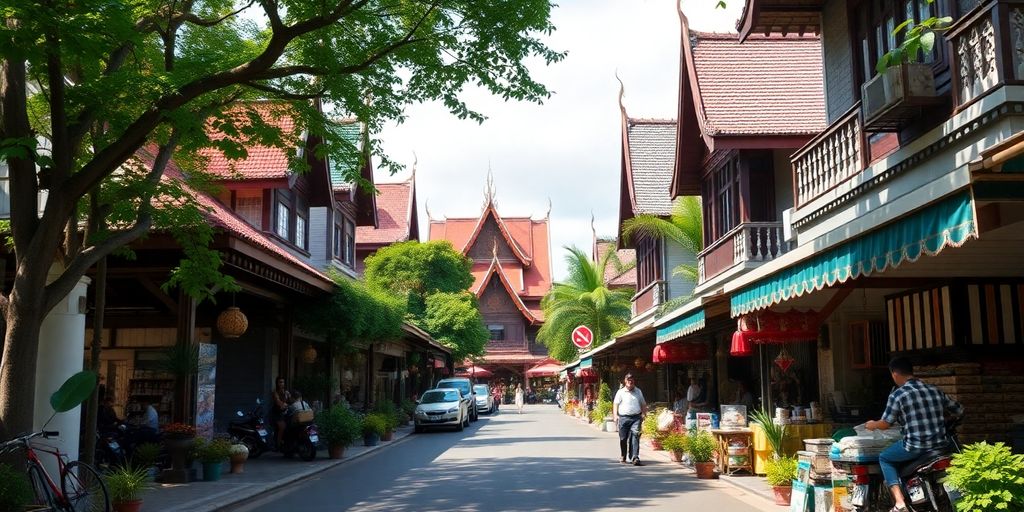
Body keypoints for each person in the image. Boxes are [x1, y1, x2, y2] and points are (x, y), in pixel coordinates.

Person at [866, 356, 964, 512]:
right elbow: (959, 410)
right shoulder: (934, 390)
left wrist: (871, 425)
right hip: (941, 445)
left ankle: (899, 503)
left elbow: (885, 424)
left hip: (915, 447)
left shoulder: (898, 395)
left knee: (884, 458)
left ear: (894, 374)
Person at [613, 373, 648, 466]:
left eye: (631, 380)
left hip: (636, 417)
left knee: (635, 436)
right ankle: (623, 455)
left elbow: (643, 403)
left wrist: (644, 414)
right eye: (628, 380)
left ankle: (635, 457)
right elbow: (615, 404)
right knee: (623, 438)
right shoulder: (620, 392)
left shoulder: (638, 391)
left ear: (634, 381)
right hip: (623, 418)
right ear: (625, 381)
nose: (630, 382)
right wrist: (615, 415)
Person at [271, 376, 291, 449]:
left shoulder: (286, 392)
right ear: (277, 383)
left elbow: (291, 401)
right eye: (280, 382)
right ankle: (278, 445)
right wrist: (284, 404)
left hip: (285, 413)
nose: (282, 384)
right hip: (277, 413)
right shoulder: (275, 392)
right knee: (282, 427)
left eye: (283, 382)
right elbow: (278, 402)